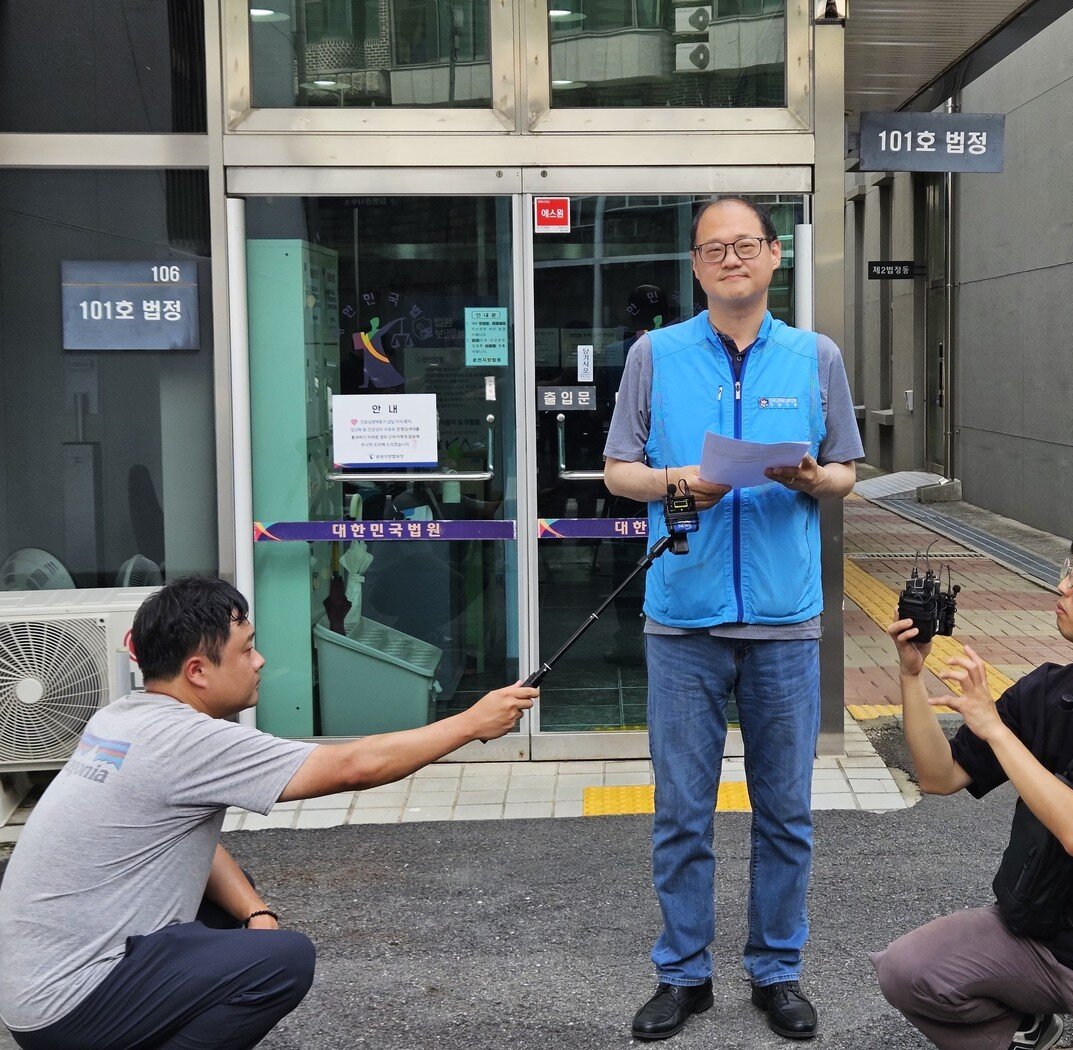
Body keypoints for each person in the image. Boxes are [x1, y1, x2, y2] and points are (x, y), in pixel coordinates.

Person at [0, 576, 536, 1050]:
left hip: (35, 990)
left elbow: (188, 841)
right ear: (197, 671)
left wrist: (257, 913)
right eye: (246, 650)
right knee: (282, 962)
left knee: (238, 900)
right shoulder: (186, 740)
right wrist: (470, 722)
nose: (259, 661)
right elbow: (352, 766)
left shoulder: (122, 718)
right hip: (69, 1008)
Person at [603, 195, 863, 1041]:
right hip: (682, 619)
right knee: (683, 810)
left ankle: (777, 971)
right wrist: (676, 482)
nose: (730, 259)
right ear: (695, 264)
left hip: (786, 620)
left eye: (744, 245)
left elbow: (847, 472)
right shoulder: (655, 354)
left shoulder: (815, 356)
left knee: (784, 811)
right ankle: (683, 975)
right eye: (713, 249)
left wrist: (815, 481)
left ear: (774, 256)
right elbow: (617, 472)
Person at [872, 518, 1073, 1050]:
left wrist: (994, 728)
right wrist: (911, 675)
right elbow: (940, 777)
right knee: (907, 970)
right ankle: (1025, 1026)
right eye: (1066, 570)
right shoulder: (1048, 689)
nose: (1061, 587)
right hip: (1031, 932)